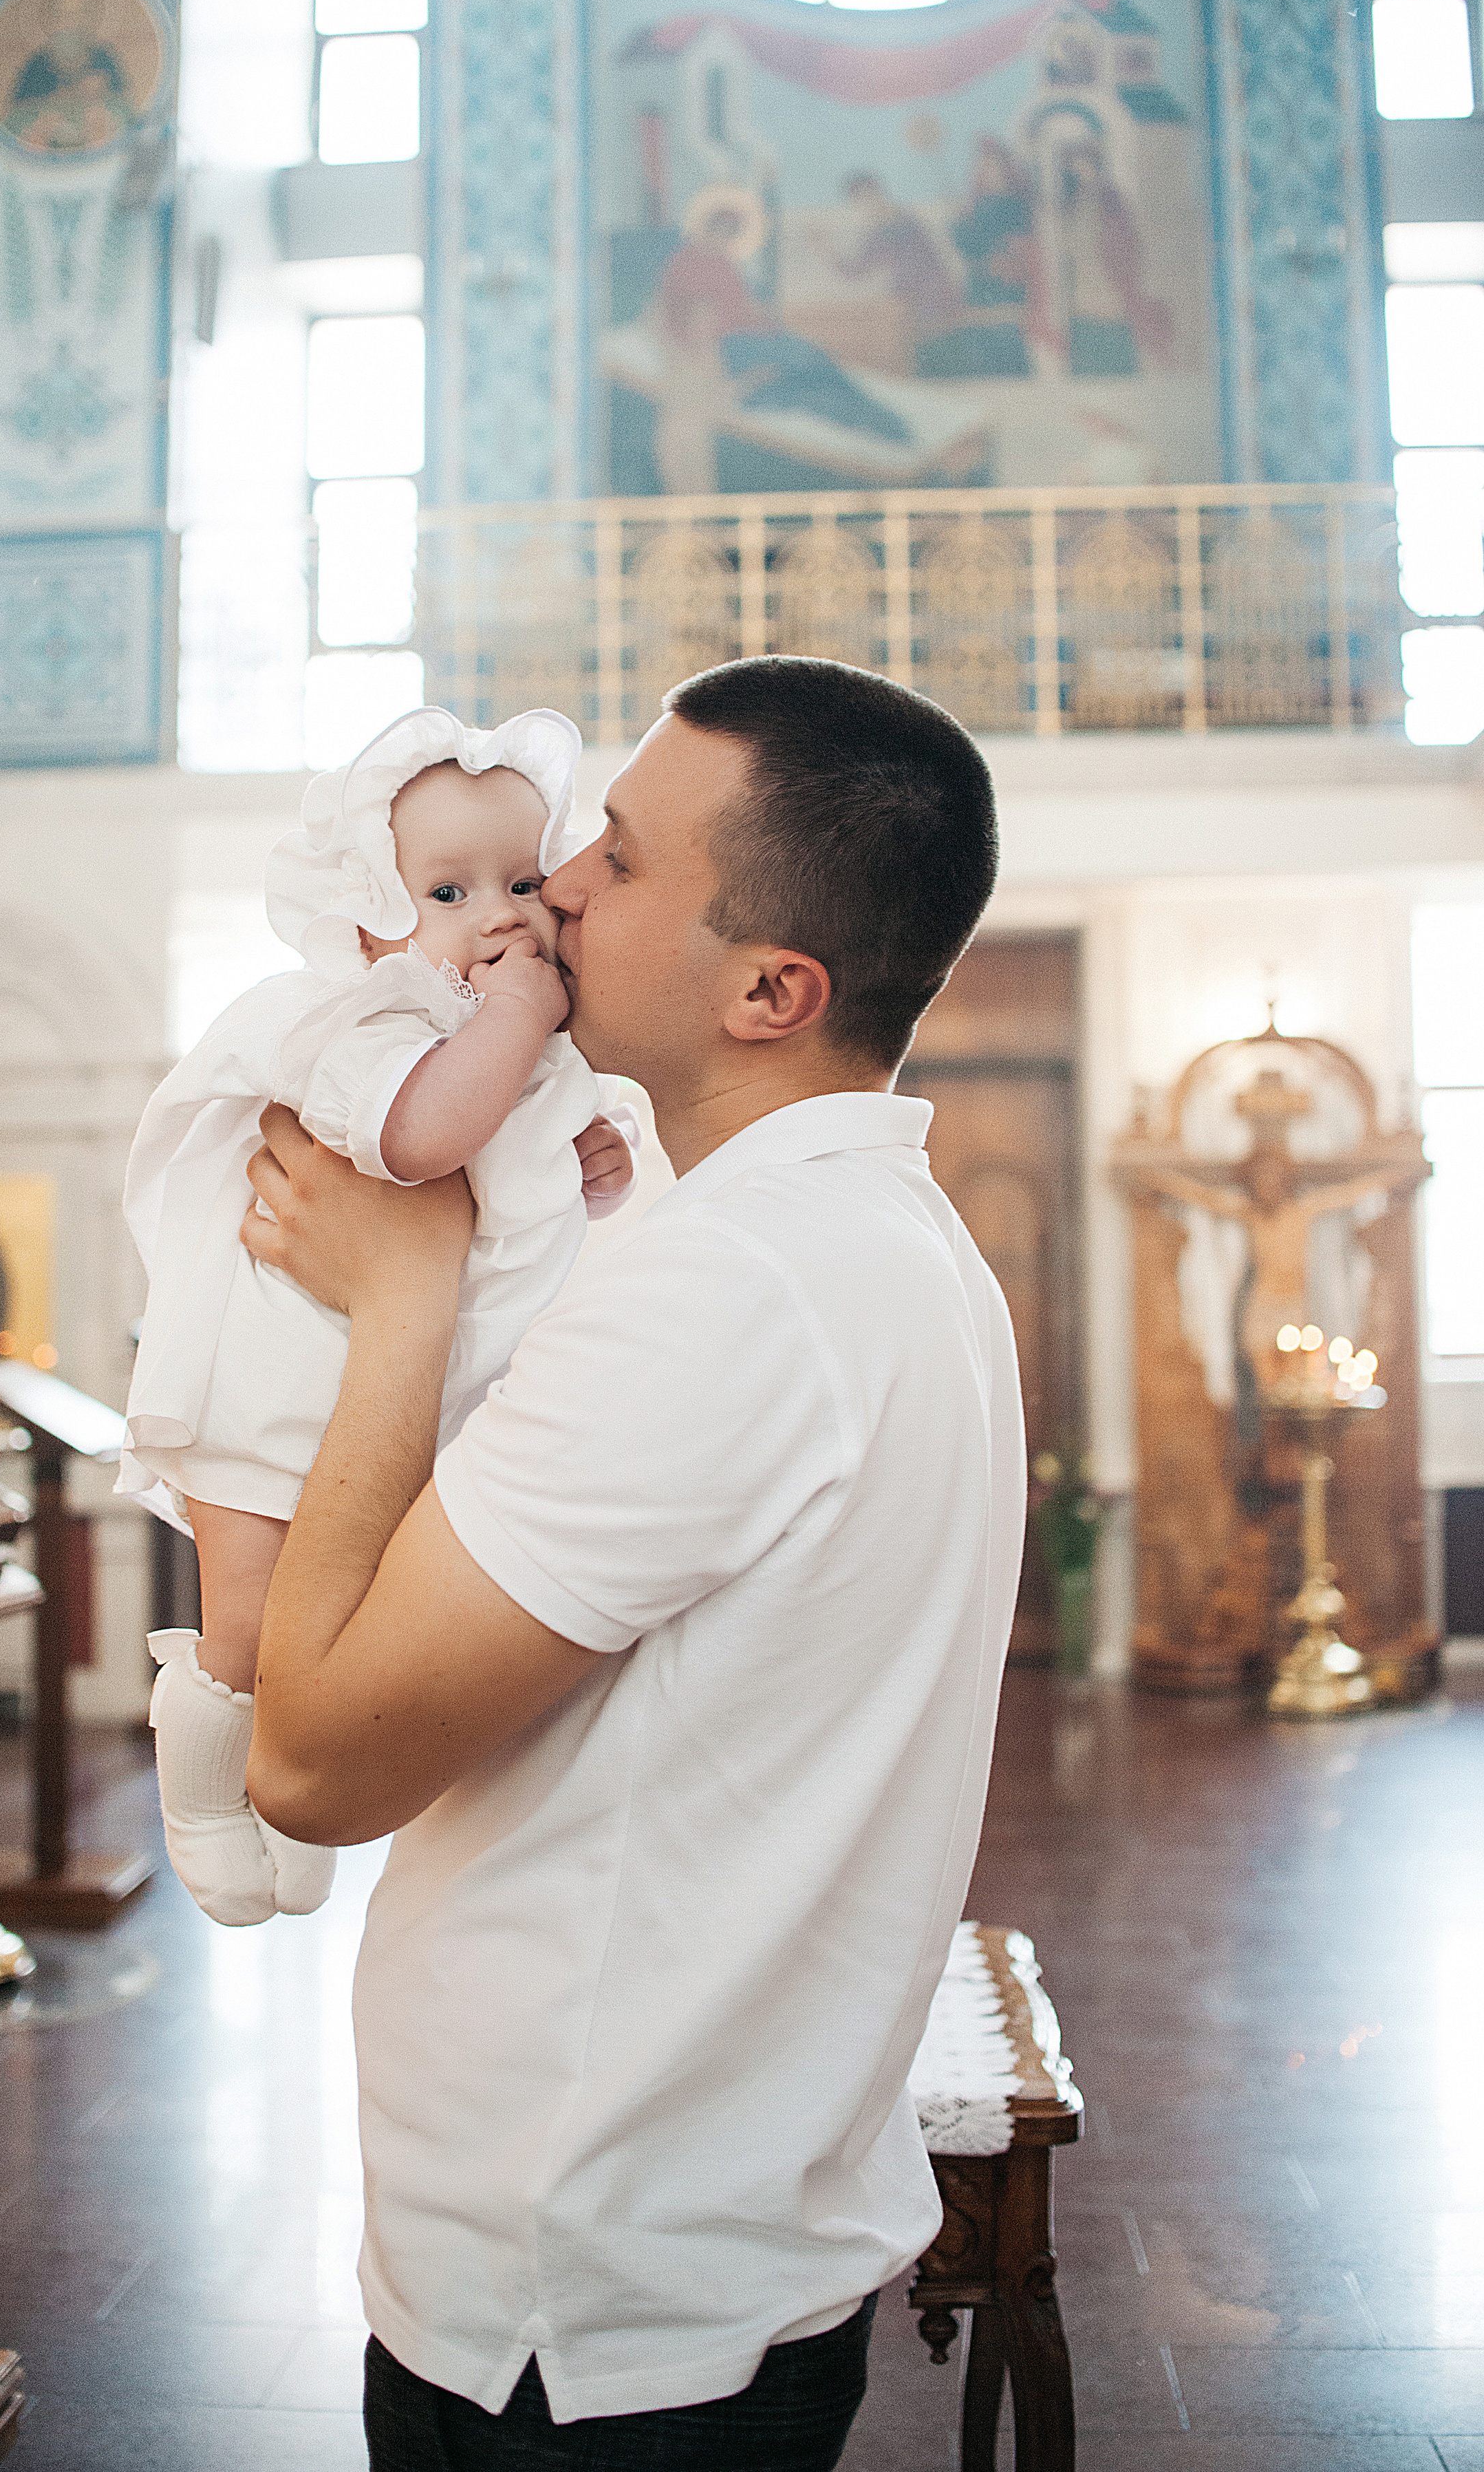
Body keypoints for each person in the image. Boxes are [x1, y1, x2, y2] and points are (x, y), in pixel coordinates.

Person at [241, 655, 1024, 2470]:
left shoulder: (728, 1286)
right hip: (692, 2247)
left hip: (578, 2314)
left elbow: (317, 1760)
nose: (558, 885)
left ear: (774, 986)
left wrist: (399, 1305)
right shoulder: (874, 1240)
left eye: (621, 853)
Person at [120, 707, 636, 1928]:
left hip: (385, 1398)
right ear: (373, 926)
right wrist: (519, 1025)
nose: (502, 915)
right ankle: (200, 1803)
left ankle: (298, 1815)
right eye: (449, 891)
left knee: (337, 1636)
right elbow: (416, 1139)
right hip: (265, 1380)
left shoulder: (512, 1044)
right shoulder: (365, 1023)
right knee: (247, 1627)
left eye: (522, 880)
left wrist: (588, 1153)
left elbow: (526, 1176)